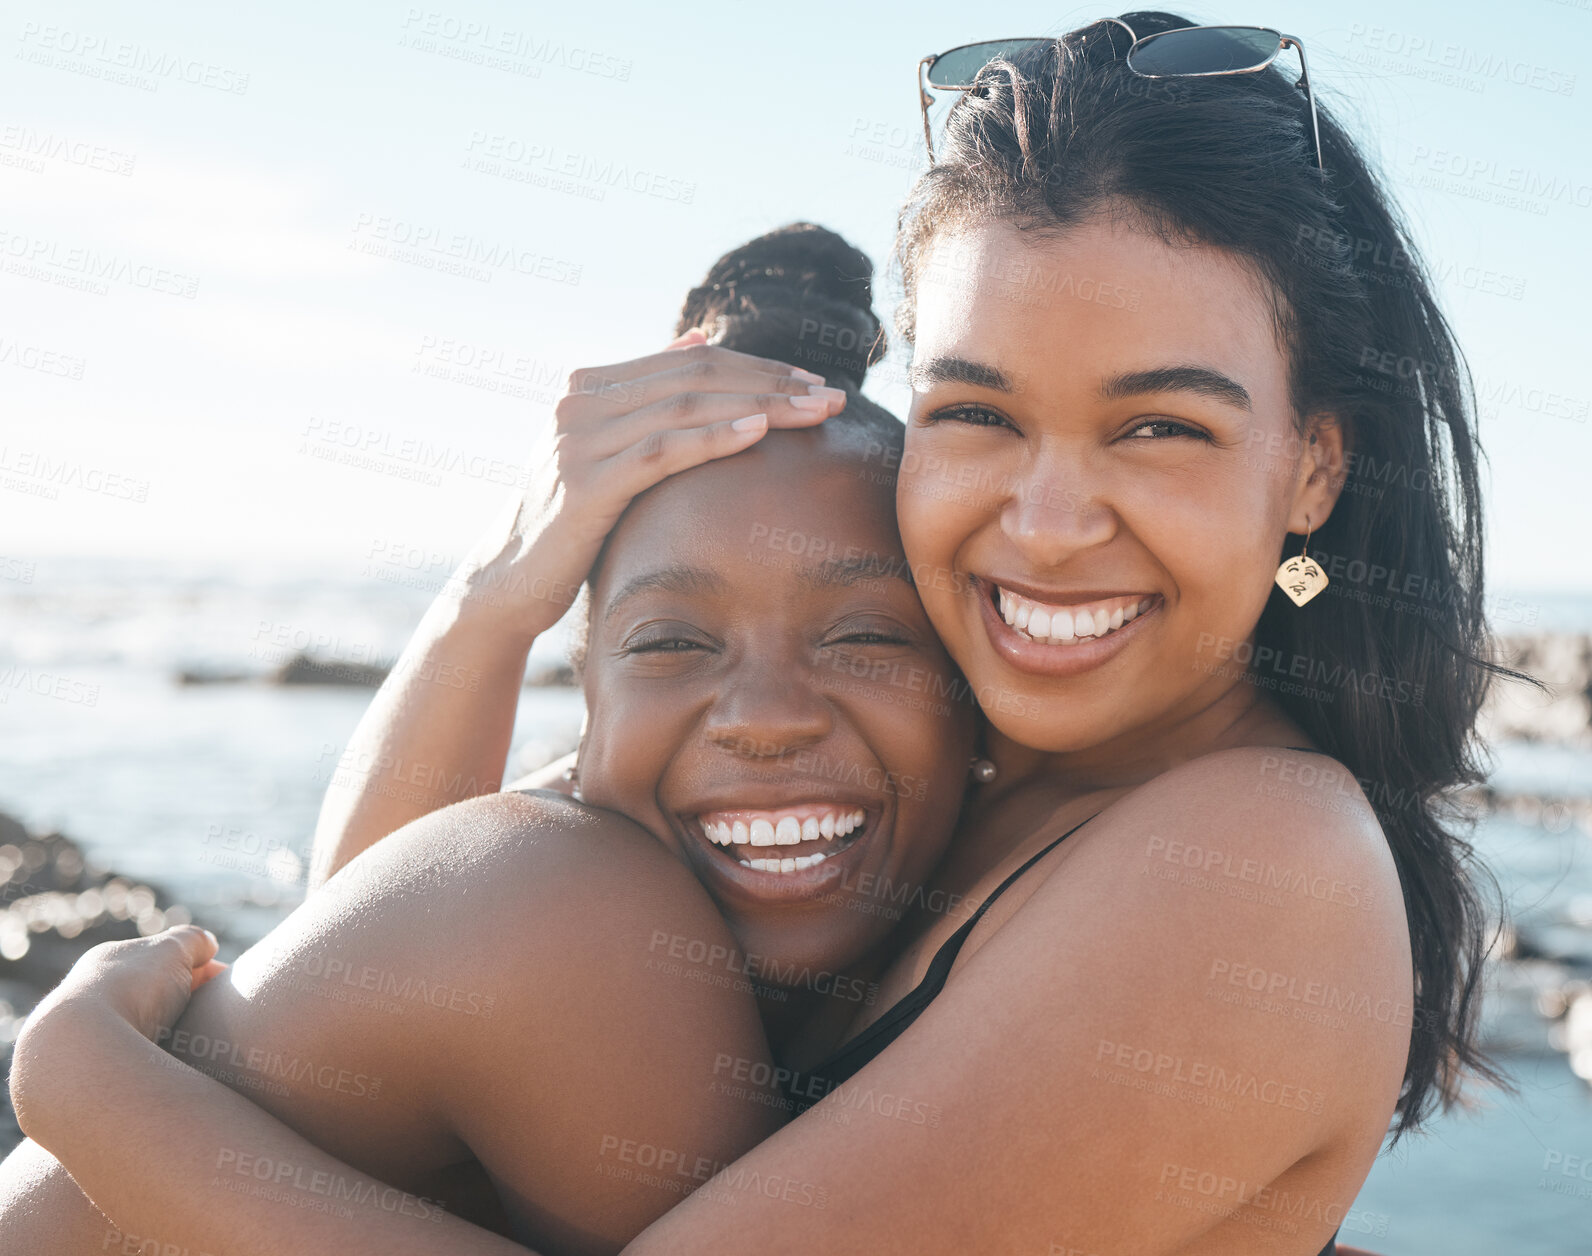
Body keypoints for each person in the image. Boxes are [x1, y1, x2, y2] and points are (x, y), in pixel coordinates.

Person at [6, 13, 1506, 1254]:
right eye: (979, 411)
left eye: (1160, 425)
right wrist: (503, 590)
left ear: (1316, 462)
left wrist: (78, 1080)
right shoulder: (955, 743)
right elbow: (386, 978)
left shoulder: (1257, 868)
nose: (1045, 524)